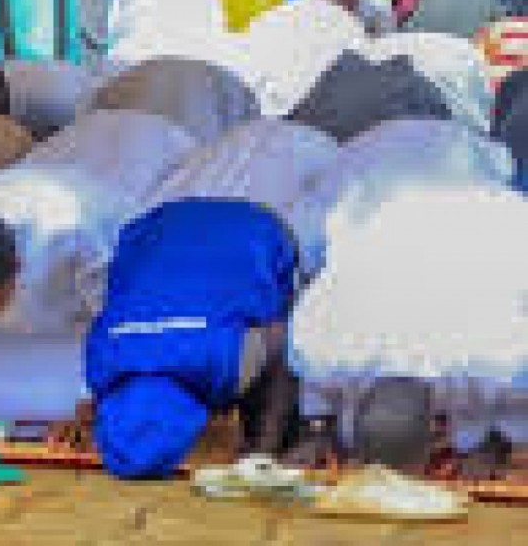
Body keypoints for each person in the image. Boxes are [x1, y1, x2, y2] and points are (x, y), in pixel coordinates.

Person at [0, 111, 197, 429]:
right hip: (30, 210)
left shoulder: (71, 230)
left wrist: (95, 392)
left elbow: (113, 315)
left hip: (91, 304)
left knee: (75, 407)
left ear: (17, 269)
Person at [287, 181, 528, 480]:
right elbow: (315, 386)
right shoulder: (322, 347)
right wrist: (318, 433)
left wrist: (494, 445)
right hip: (382, 221)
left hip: (497, 227)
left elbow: (517, 397)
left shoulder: (500, 353)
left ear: (434, 429)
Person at [86, 198, 298, 479]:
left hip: (260, 226)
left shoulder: (223, 361)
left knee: (281, 336)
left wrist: (262, 453)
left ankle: (274, 440)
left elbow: (282, 341)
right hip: (154, 226)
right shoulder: (100, 363)